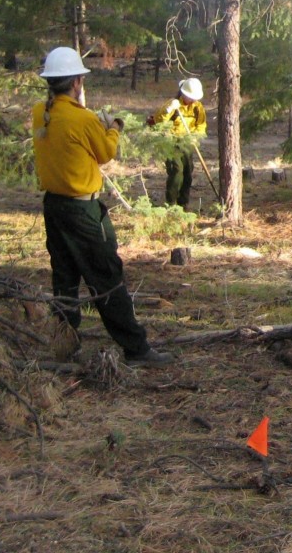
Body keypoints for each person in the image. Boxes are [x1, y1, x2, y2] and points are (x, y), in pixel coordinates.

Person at [31, 46, 173, 367]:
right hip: (83, 212)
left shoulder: (41, 112)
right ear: (77, 82)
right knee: (107, 277)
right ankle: (136, 349)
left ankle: (66, 347)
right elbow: (106, 153)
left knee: (64, 277)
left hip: (54, 207)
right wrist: (113, 128)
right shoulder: (82, 119)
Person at [147, 77, 206, 208]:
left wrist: (196, 137)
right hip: (171, 142)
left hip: (187, 142)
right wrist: (168, 110)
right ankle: (171, 203)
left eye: (194, 98)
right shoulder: (173, 104)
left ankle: (183, 203)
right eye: (191, 97)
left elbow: (201, 125)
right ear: (183, 93)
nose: (193, 100)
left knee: (187, 173)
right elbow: (158, 120)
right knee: (176, 171)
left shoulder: (198, 107)